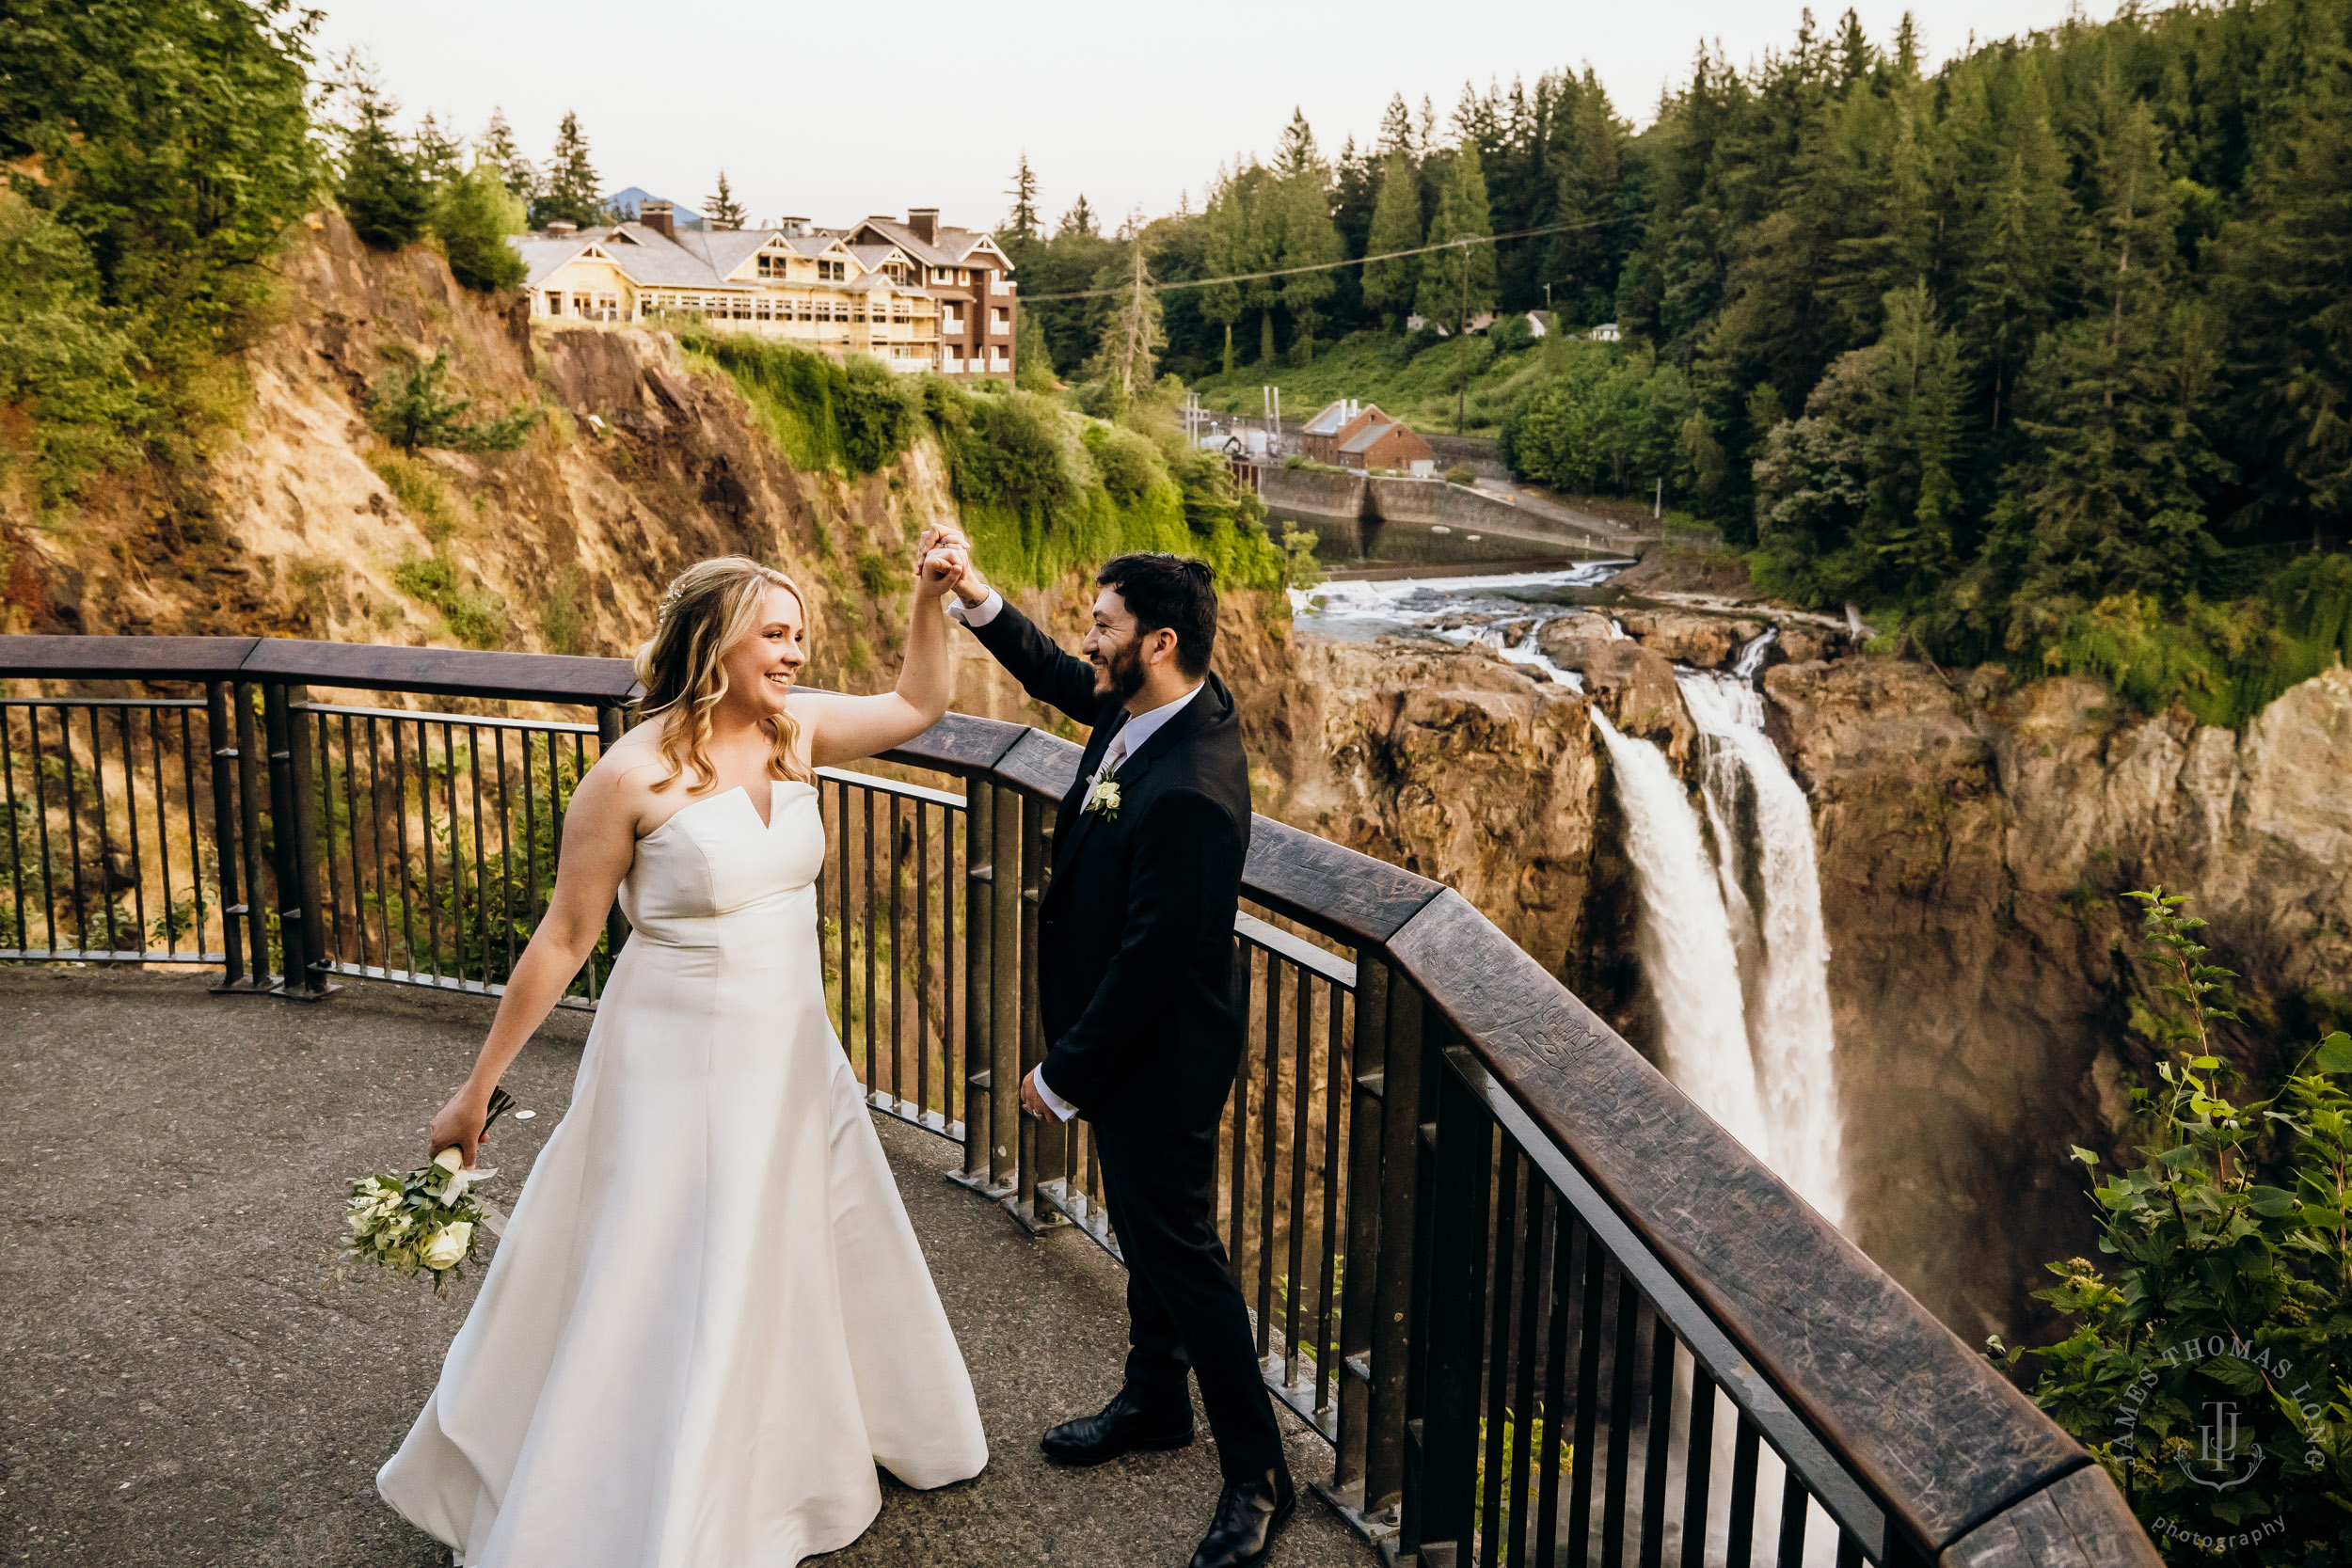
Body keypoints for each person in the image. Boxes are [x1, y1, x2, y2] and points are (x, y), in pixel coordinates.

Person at [378, 548, 989, 1566]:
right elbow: (564, 938)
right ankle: (651, 1489)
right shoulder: (630, 774)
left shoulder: (801, 732)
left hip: (791, 1050)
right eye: (776, 633)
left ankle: (782, 1453)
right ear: (716, 642)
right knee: (669, 1258)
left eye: (800, 634)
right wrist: (475, 1087)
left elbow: (919, 701)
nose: (795, 653)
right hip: (676, 1056)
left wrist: (934, 602)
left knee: (784, 1245)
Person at [930, 531, 1294, 1568]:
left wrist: (1063, 1070)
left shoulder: (1188, 785)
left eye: (1103, 625)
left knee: (1183, 1255)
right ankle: (1153, 1399)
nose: (1088, 640)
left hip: (1158, 1054)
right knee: (1146, 1227)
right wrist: (974, 597)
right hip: (1138, 1039)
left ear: (1159, 640)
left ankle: (1256, 1475)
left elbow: (1157, 958)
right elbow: (1056, 674)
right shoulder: (1155, 704)